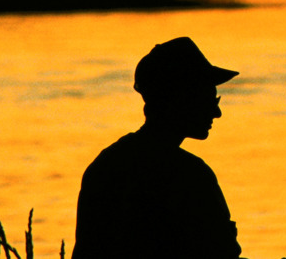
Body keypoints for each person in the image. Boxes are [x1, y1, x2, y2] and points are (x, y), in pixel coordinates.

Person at [72, 37, 243, 259]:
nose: (216, 112)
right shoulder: (190, 175)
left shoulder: (105, 165)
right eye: (209, 99)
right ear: (182, 98)